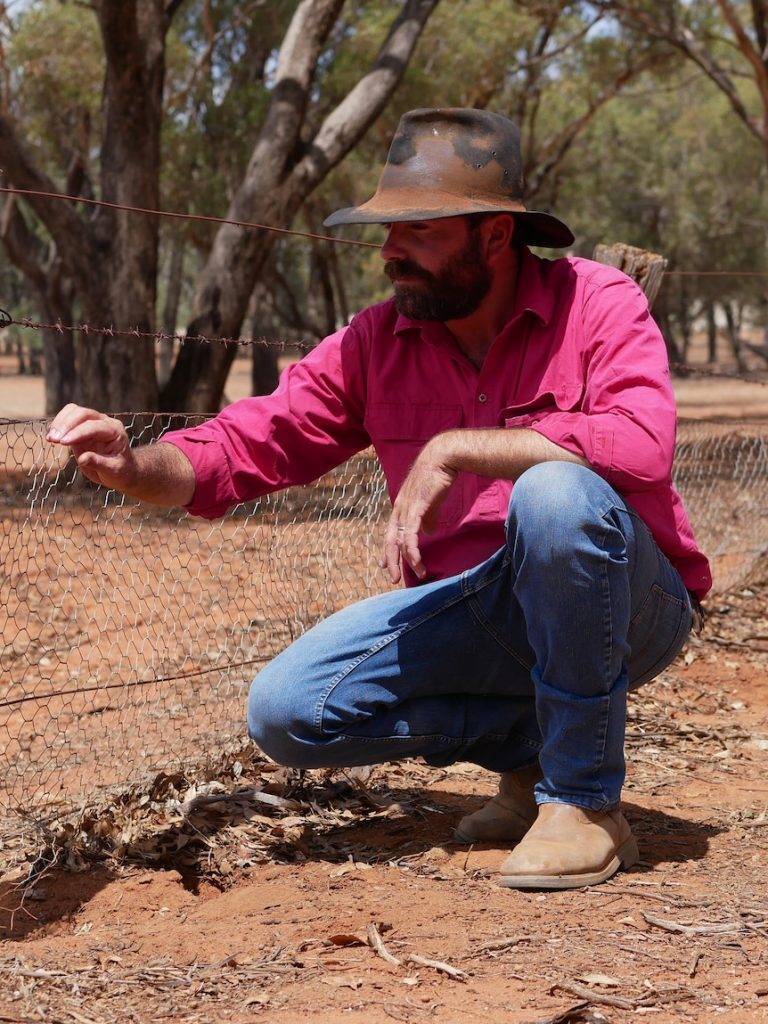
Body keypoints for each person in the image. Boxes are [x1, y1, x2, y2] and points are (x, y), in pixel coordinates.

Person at [47, 107, 712, 889]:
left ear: (496, 236)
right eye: (387, 232)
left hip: (630, 604)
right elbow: (244, 445)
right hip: (477, 610)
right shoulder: (375, 342)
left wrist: (458, 446)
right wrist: (133, 466)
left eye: (418, 230)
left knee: (558, 495)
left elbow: (641, 444)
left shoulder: (597, 303)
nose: (391, 253)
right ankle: (533, 749)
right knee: (291, 710)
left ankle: (583, 802)